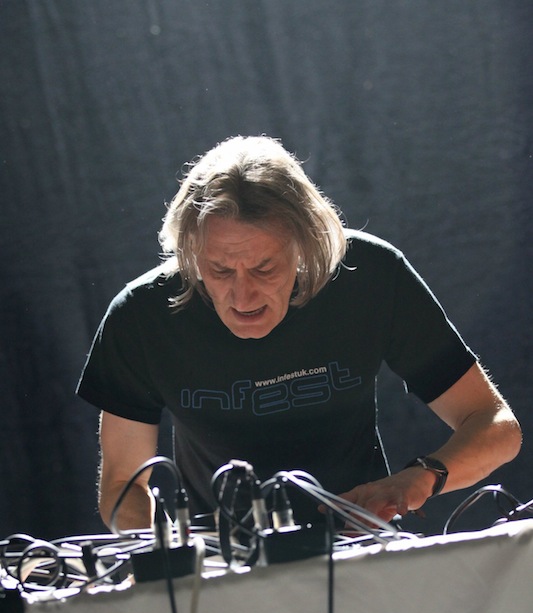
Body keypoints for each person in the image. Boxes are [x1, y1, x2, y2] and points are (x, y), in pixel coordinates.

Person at [77, 135, 521, 532]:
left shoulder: (369, 276)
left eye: (264, 268)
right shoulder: (142, 314)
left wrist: (422, 477)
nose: (243, 295)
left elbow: (496, 426)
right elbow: (121, 483)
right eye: (220, 271)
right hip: (216, 574)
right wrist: (162, 561)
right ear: (190, 256)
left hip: (361, 550)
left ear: (306, 245)